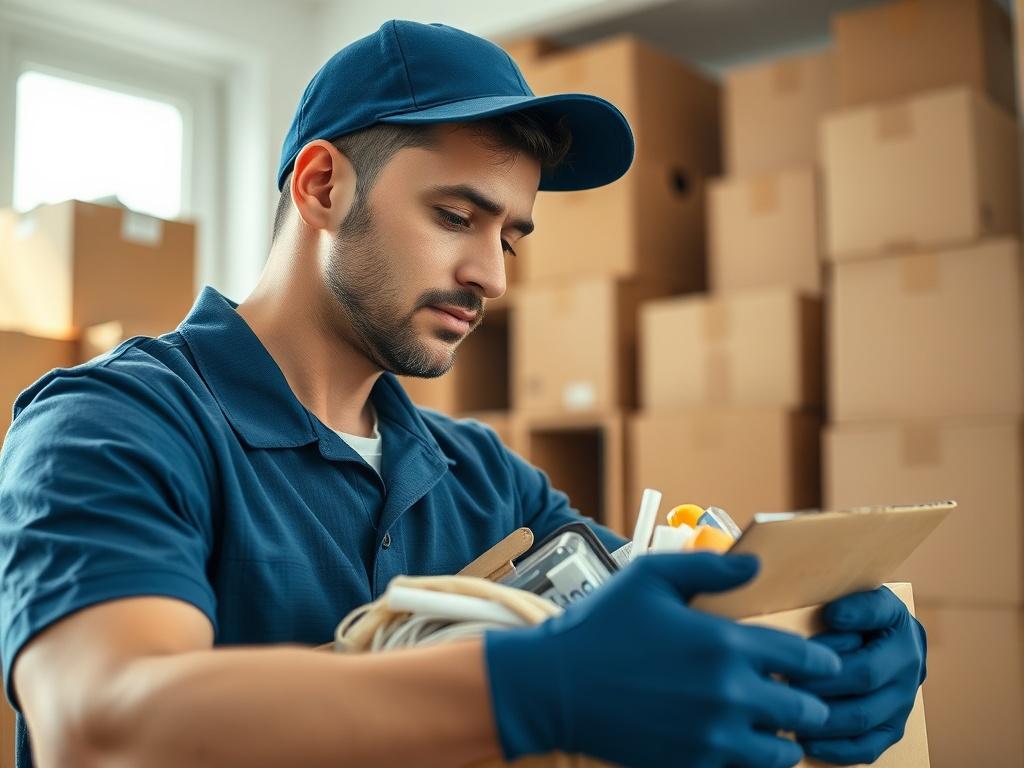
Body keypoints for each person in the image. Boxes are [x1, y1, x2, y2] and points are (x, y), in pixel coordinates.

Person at [0, 20, 926, 768]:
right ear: (323, 185)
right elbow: (100, 727)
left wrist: (819, 656)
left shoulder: (485, 483)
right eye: (454, 216)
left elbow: (672, 634)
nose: (492, 275)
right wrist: (533, 688)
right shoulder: (115, 426)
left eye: (511, 238)